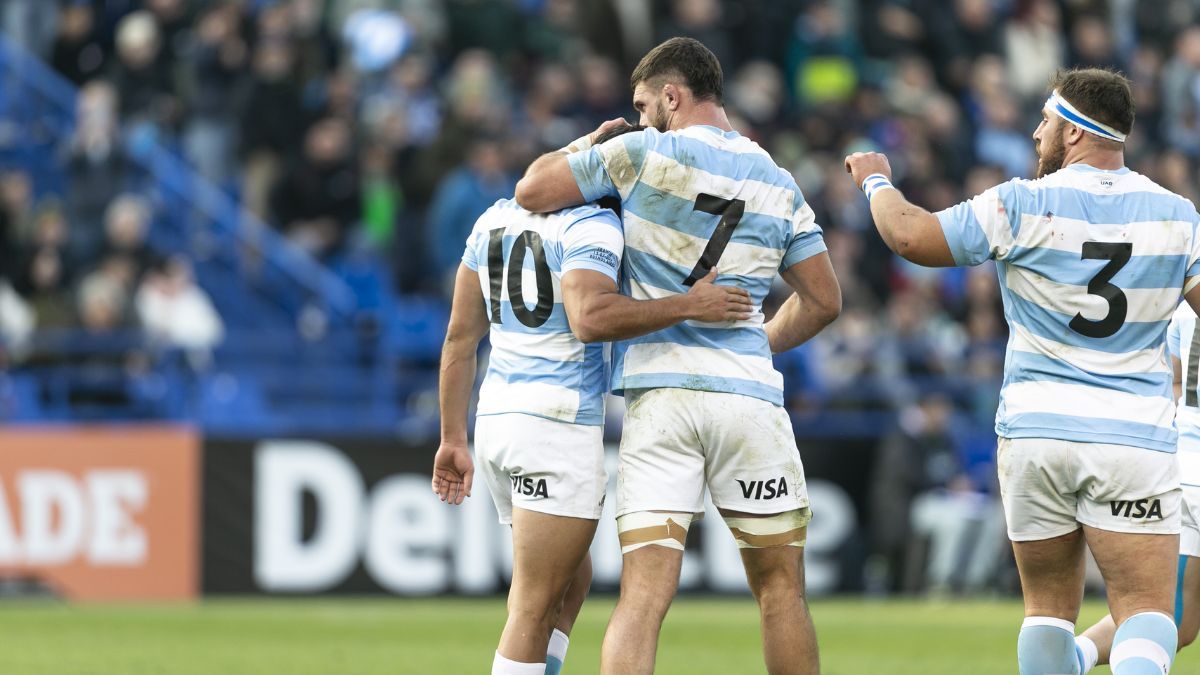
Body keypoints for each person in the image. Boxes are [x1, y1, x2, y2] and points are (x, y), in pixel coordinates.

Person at [844, 67, 1200, 675]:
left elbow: (909, 237)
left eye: (1046, 119)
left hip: (1036, 433)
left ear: (1075, 131)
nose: (1037, 133)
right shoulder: (1176, 215)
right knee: (1146, 611)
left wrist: (876, 180)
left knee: (1046, 613)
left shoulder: (1020, 202)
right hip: (1132, 437)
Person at [515, 37, 841, 675]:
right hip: (748, 401)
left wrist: (591, 142)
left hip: (661, 397)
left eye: (643, 105)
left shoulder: (641, 152)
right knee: (781, 590)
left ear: (672, 96)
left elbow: (531, 192)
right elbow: (825, 300)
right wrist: (757, 343)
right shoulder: (779, 180)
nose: (639, 118)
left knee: (643, 595)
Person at [433, 125, 754, 675]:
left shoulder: (493, 218)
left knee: (570, 581)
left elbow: (459, 339)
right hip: (554, 426)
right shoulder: (592, 225)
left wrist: (451, 437)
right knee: (532, 606)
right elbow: (591, 318)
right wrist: (688, 305)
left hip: (497, 422)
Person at [1073, 301, 1200, 671]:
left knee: (1176, 620)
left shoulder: (1186, 305)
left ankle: (1076, 656)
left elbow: (1173, 378)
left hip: (1185, 468)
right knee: (1167, 614)